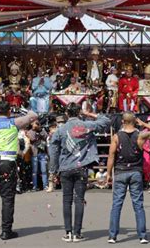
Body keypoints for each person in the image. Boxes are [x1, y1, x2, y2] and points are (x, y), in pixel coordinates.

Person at [49, 103, 110, 242]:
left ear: (66, 113)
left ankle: (68, 233)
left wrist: (53, 171)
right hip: (81, 166)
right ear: (79, 112)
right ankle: (77, 233)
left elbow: (53, 152)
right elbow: (106, 121)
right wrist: (90, 114)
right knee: (79, 200)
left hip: (65, 168)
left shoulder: (60, 130)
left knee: (66, 200)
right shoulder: (86, 125)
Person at [0, 100, 38, 240]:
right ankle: (6, 231)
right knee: (7, 197)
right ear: (8, 112)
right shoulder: (14, 122)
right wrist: (22, 110)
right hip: (8, 162)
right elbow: (33, 115)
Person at [106, 113, 150, 244]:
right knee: (138, 205)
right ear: (134, 121)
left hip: (120, 172)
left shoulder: (116, 137)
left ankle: (112, 236)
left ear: (122, 121)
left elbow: (111, 156)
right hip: (135, 172)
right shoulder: (141, 135)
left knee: (116, 205)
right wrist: (143, 124)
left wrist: (109, 174)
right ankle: (142, 236)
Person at [26, 119, 49, 191]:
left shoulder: (42, 130)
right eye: (34, 123)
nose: (35, 125)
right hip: (34, 153)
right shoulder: (30, 132)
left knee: (44, 171)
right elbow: (33, 139)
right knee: (34, 171)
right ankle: (35, 186)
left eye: (37, 124)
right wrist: (38, 134)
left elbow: (46, 137)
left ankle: (45, 185)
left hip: (42, 153)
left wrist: (40, 130)